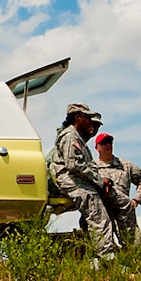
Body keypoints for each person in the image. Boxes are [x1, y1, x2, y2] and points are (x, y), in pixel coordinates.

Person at [51, 103, 120, 259]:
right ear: (77, 118)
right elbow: (74, 164)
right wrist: (100, 181)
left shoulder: (76, 137)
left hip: (78, 181)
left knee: (100, 215)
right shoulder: (70, 136)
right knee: (99, 218)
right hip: (72, 182)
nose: (90, 123)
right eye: (87, 118)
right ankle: (108, 260)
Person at [93, 132, 141, 243]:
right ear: (97, 147)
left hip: (124, 213)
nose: (107, 145)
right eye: (103, 143)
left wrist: (136, 200)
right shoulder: (92, 168)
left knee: (133, 246)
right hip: (102, 213)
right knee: (105, 247)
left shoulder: (125, 165)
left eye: (109, 142)